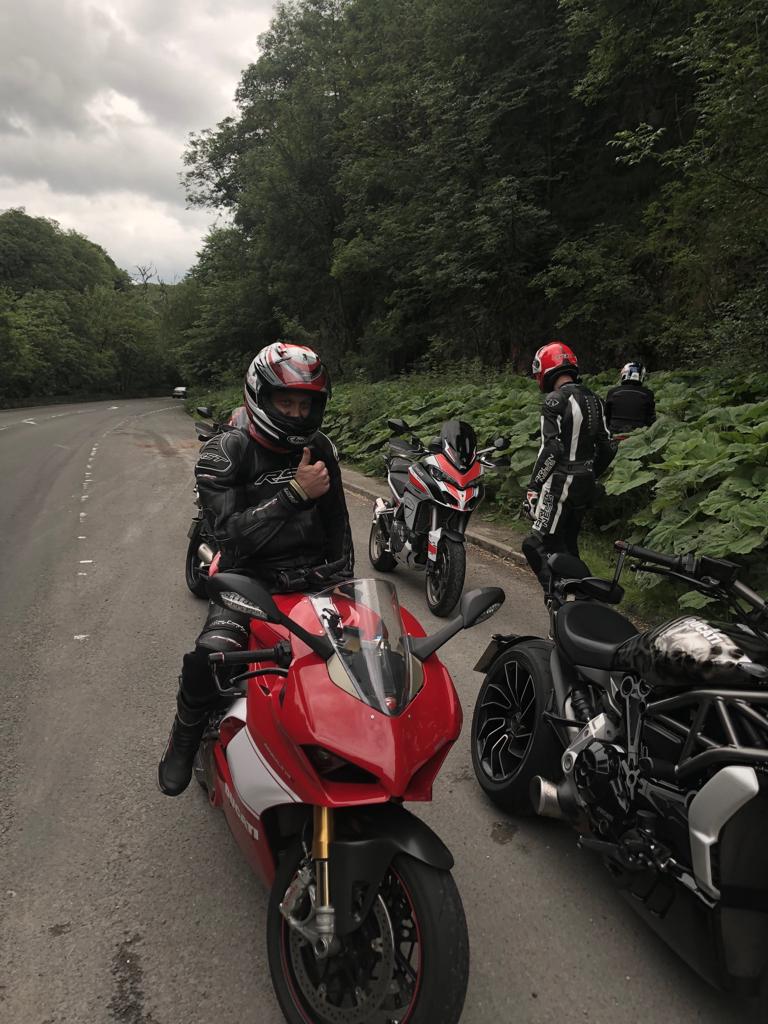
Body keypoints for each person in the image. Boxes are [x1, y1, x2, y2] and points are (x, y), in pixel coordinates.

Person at [158, 342, 354, 796]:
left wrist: (346, 584)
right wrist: (294, 495)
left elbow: (338, 528)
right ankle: (184, 736)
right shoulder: (227, 451)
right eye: (286, 402)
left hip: (315, 581)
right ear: (260, 396)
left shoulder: (321, 448)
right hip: (247, 582)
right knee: (210, 657)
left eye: (305, 404)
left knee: (362, 658)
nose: (297, 413)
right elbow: (227, 538)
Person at [521, 341, 615, 592]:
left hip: (561, 482)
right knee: (567, 545)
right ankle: (585, 597)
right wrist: (592, 472)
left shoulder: (555, 400)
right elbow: (608, 446)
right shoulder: (596, 400)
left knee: (535, 544)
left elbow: (552, 449)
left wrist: (534, 486)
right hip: (586, 482)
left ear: (544, 370)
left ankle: (558, 595)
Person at [604, 361, 655, 435]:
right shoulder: (648, 393)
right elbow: (650, 418)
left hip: (614, 431)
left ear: (624, 374)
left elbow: (606, 415)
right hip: (638, 434)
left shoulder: (612, 392)